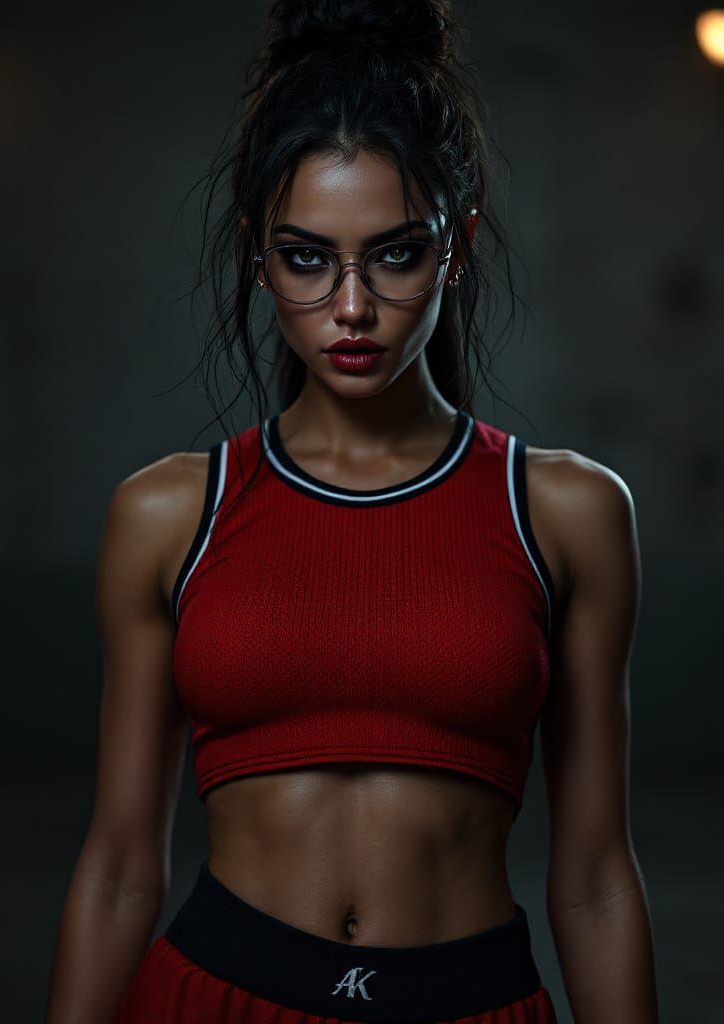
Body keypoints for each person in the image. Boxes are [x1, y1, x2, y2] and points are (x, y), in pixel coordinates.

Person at [44, 1, 660, 1021]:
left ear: (455, 245)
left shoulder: (564, 510)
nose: (351, 307)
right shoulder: (168, 515)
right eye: (305, 257)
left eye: (394, 253)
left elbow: (593, 881)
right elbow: (118, 867)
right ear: (258, 251)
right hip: (213, 996)